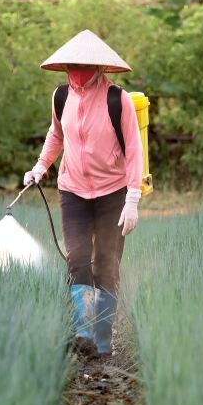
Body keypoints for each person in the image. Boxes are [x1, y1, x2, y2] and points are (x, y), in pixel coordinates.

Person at [23, 29, 143, 357]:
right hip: (72, 191)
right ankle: (82, 333)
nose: (77, 70)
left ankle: (103, 340)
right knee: (76, 260)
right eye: (71, 64)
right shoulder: (61, 96)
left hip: (112, 193)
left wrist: (132, 199)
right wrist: (40, 166)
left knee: (106, 264)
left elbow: (134, 151)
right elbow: (56, 134)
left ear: (99, 67)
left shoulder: (117, 100)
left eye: (84, 64)